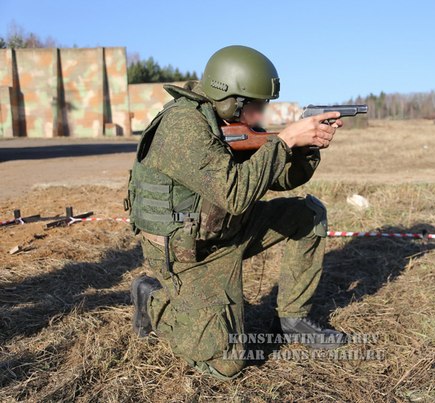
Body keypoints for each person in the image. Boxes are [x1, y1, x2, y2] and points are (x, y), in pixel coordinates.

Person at [127, 45, 345, 380]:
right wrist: (284, 142)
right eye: (256, 106)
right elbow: (234, 194)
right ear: (231, 98)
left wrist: (306, 148)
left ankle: (292, 320)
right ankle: (153, 298)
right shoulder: (183, 126)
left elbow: (282, 179)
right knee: (227, 362)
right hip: (189, 252)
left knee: (308, 215)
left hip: (227, 228)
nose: (261, 116)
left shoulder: (224, 121)